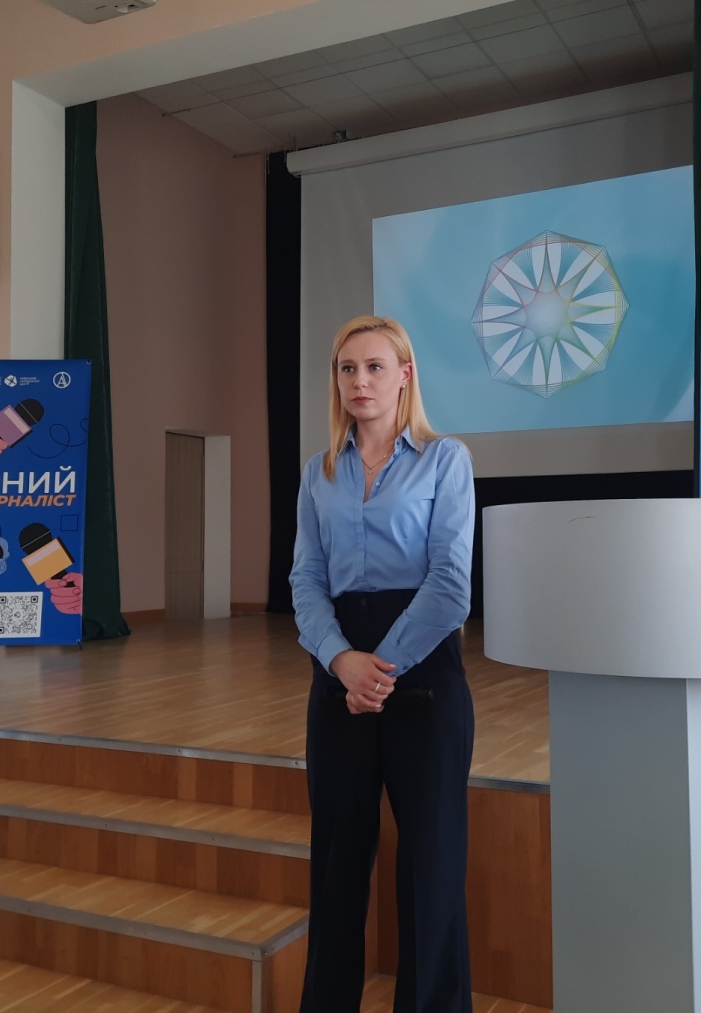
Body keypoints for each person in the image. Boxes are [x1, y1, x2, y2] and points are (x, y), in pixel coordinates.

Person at [290, 315, 476, 1013]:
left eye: (374, 367)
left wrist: (381, 667)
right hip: (337, 670)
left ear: (405, 375)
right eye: (347, 368)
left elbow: (450, 584)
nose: (359, 381)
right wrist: (342, 660)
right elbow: (306, 579)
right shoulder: (319, 471)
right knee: (337, 863)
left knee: (431, 861)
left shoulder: (445, 459)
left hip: (422, 670)